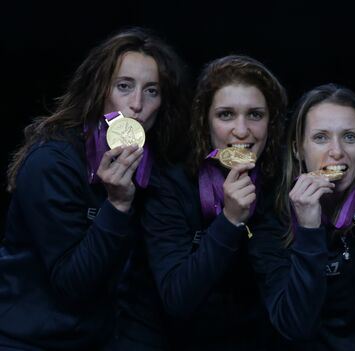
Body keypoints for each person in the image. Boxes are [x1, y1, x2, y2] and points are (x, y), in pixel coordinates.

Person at [0, 27, 190, 350]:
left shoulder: (155, 169)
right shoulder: (53, 163)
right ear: (100, 91)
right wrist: (116, 206)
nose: (137, 104)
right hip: (29, 341)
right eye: (124, 86)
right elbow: (70, 285)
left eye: (152, 91)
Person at [141, 55, 287, 350]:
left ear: (271, 122)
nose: (242, 131)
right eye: (226, 115)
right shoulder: (169, 184)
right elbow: (178, 299)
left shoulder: (281, 185)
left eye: (255, 115)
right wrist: (230, 220)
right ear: (204, 121)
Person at [248, 83, 355, 350]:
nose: (336, 151)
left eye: (350, 137)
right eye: (320, 137)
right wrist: (308, 231)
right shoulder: (270, 218)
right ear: (298, 148)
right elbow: (294, 326)